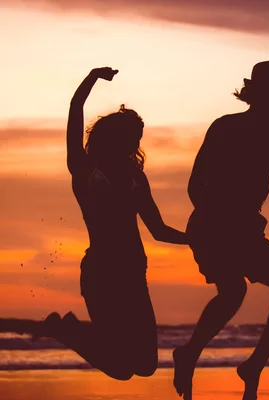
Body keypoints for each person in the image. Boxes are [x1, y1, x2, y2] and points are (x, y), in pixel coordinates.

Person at [0, 67, 188, 380]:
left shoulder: (136, 178)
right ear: (114, 137)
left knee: (145, 366)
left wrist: (199, 239)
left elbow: (159, 230)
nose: (134, 144)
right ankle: (66, 331)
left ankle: (70, 329)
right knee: (120, 369)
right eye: (130, 137)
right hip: (102, 274)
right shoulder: (84, 169)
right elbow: (75, 109)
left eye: (137, 139)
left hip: (134, 274)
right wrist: (92, 77)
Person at [173, 61, 269, 400]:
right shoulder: (225, 126)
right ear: (255, 94)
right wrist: (216, 220)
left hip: (246, 228)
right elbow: (195, 184)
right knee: (233, 293)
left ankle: (250, 364)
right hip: (213, 225)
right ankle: (192, 354)